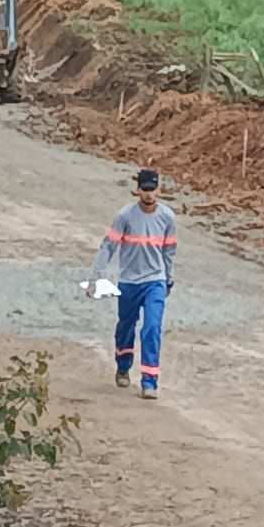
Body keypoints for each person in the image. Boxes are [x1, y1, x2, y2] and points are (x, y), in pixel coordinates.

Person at [86, 168, 176, 400]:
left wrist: (168, 278)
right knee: (126, 325)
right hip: (129, 282)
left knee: (152, 327)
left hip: (154, 281)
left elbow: (169, 250)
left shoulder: (167, 217)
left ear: (159, 190)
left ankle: (149, 382)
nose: (148, 195)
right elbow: (108, 246)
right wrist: (95, 278)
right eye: (144, 190)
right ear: (138, 191)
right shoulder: (125, 216)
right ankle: (123, 365)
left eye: (152, 190)